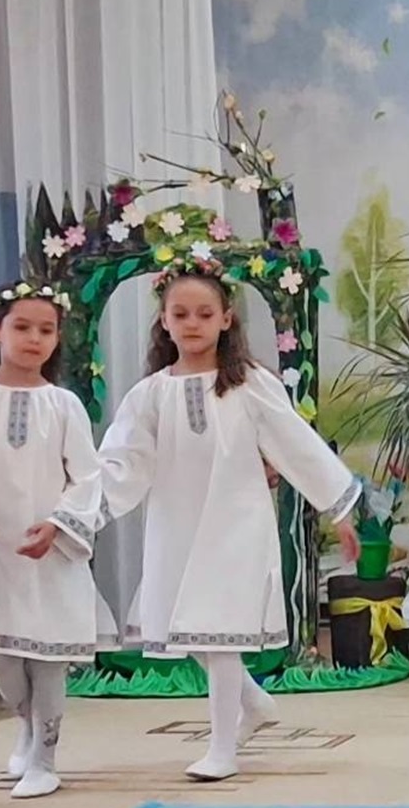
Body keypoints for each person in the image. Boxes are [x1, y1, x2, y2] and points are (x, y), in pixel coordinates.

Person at [98, 261, 362, 780]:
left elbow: (296, 444)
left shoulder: (249, 385)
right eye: (180, 314)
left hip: (236, 523)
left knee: (218, 631)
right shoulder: (149, 394)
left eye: (204, 313)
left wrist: (338, 508)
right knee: (190, 629)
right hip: (176, 524)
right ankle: (254, 702)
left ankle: (222, 749)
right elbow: (122, 460)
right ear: (164, 321)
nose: (192, 323)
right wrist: (80, 511)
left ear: (226, 319)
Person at [0, 279, 115, 799]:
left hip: (50, 551)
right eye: (23, 327)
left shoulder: (64, 405)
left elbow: (87, 476)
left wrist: (59, 524)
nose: (34, 339)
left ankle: (45, 760)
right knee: (5, 658)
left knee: (48, 656)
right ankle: (27, 729)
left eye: (46, 330)